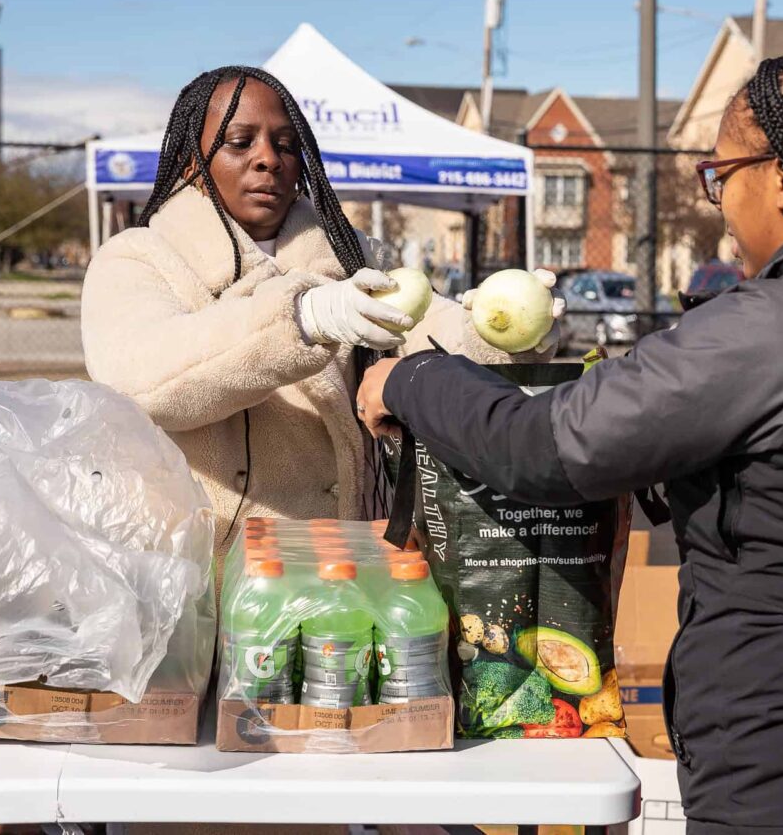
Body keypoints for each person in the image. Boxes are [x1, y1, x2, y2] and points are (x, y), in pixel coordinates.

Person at [357, 47, 783, 835]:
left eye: (720, 175)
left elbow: (542, 447)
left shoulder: (776, 328)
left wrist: (412, 378)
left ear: (781, 180)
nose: (718, 201)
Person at [82, 66, 556, 585]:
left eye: (286, 145)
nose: (268, 158)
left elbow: (422, 328)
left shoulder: (352, 256)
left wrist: (499, 333)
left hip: (348, 568)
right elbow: (142, 379)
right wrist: (302, 319)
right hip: (215, 580)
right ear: (194, 162)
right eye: (240, 142)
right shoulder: (139, 258)